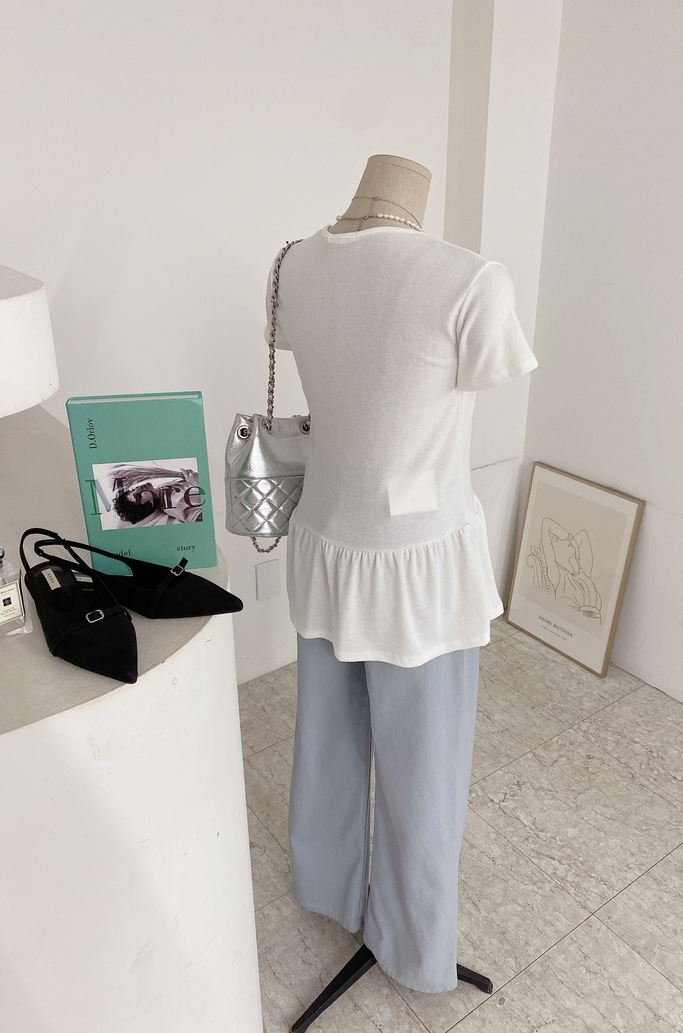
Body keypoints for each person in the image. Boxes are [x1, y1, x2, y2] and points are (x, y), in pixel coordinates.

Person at [266, 155, 538, 993]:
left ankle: (329, 887)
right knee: (424, 769)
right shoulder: (470, 280)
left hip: (327, 539)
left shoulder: (292, 264)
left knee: (328, 739)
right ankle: (414, 946)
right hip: (417, 562)